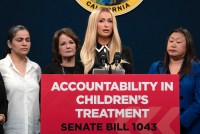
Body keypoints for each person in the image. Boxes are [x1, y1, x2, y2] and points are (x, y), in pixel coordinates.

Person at [148, 27, 200, 134]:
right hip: (160, 127)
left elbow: (199, 102)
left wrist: (179, 123)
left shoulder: (196, 68)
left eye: (178, 42)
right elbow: (147, 97)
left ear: (188, 46)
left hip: (188, 128)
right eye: (171, 41)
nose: (173, 44)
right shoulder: (155, 67)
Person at [0, 25, 41, 134]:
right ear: (9, 43)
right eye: (20, 40)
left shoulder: (36, 68)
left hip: (34, 130)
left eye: (27, 40)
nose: (24, 43)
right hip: (9, 130)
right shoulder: (1, 67)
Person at [80, 7, 133, 74]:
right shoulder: (81, 53)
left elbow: (131, 82)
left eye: (110, 21)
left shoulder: (125, 52)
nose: (106, 25)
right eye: (101, 21)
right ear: (93, 25)